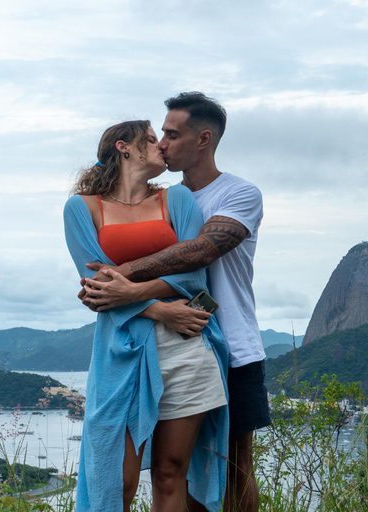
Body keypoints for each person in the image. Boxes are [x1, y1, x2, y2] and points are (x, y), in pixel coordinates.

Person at [79, 93, 270, 512]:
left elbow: (202, 251)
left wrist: (123, 276)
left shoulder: (239, 193)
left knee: (233, 465)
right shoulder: (167, 199)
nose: (162, 143)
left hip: (233, 345)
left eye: (171, 134)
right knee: (173, 473)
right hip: (163, 342)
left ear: (203, 139)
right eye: (158, 135)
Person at [63, 120, 230, 512]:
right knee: (117, 480)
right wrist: (158, 310)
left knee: (171, 474)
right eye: (152, 139)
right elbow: (95, 281)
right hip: (121, 352)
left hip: (186, 349)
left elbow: (193, 274)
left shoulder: (179, 199)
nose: (163, 147)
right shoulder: (83, 207)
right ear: (124, 147)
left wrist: (134, 291)